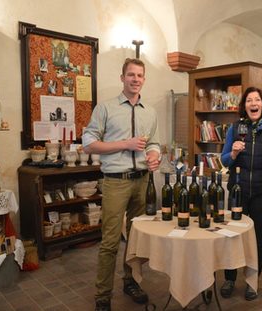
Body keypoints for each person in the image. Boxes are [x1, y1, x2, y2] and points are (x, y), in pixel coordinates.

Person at [82, 58, 161, 311]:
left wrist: (154, 156)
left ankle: (131, 281)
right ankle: (103, 296)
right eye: (131, 75)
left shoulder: (150, 111)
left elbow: (154, 143)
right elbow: (89, 143)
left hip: (142, 182)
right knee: (110, 242)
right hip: (116, 182)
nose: (135, 79)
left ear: (144, 79)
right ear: (122, 78)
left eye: (140, 75)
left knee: (137, 239)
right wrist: (124, 144)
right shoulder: (105, 108)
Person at [220, 86, 262, 301]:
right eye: (249, 100)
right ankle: (229, 278)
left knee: (256, 238)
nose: (253, 104)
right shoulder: (234, 128)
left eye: (257, 100)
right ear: (244, 105)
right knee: (233, 235)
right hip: (238, 191)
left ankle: (252, 281)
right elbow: (224, 160)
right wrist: (234, 152)